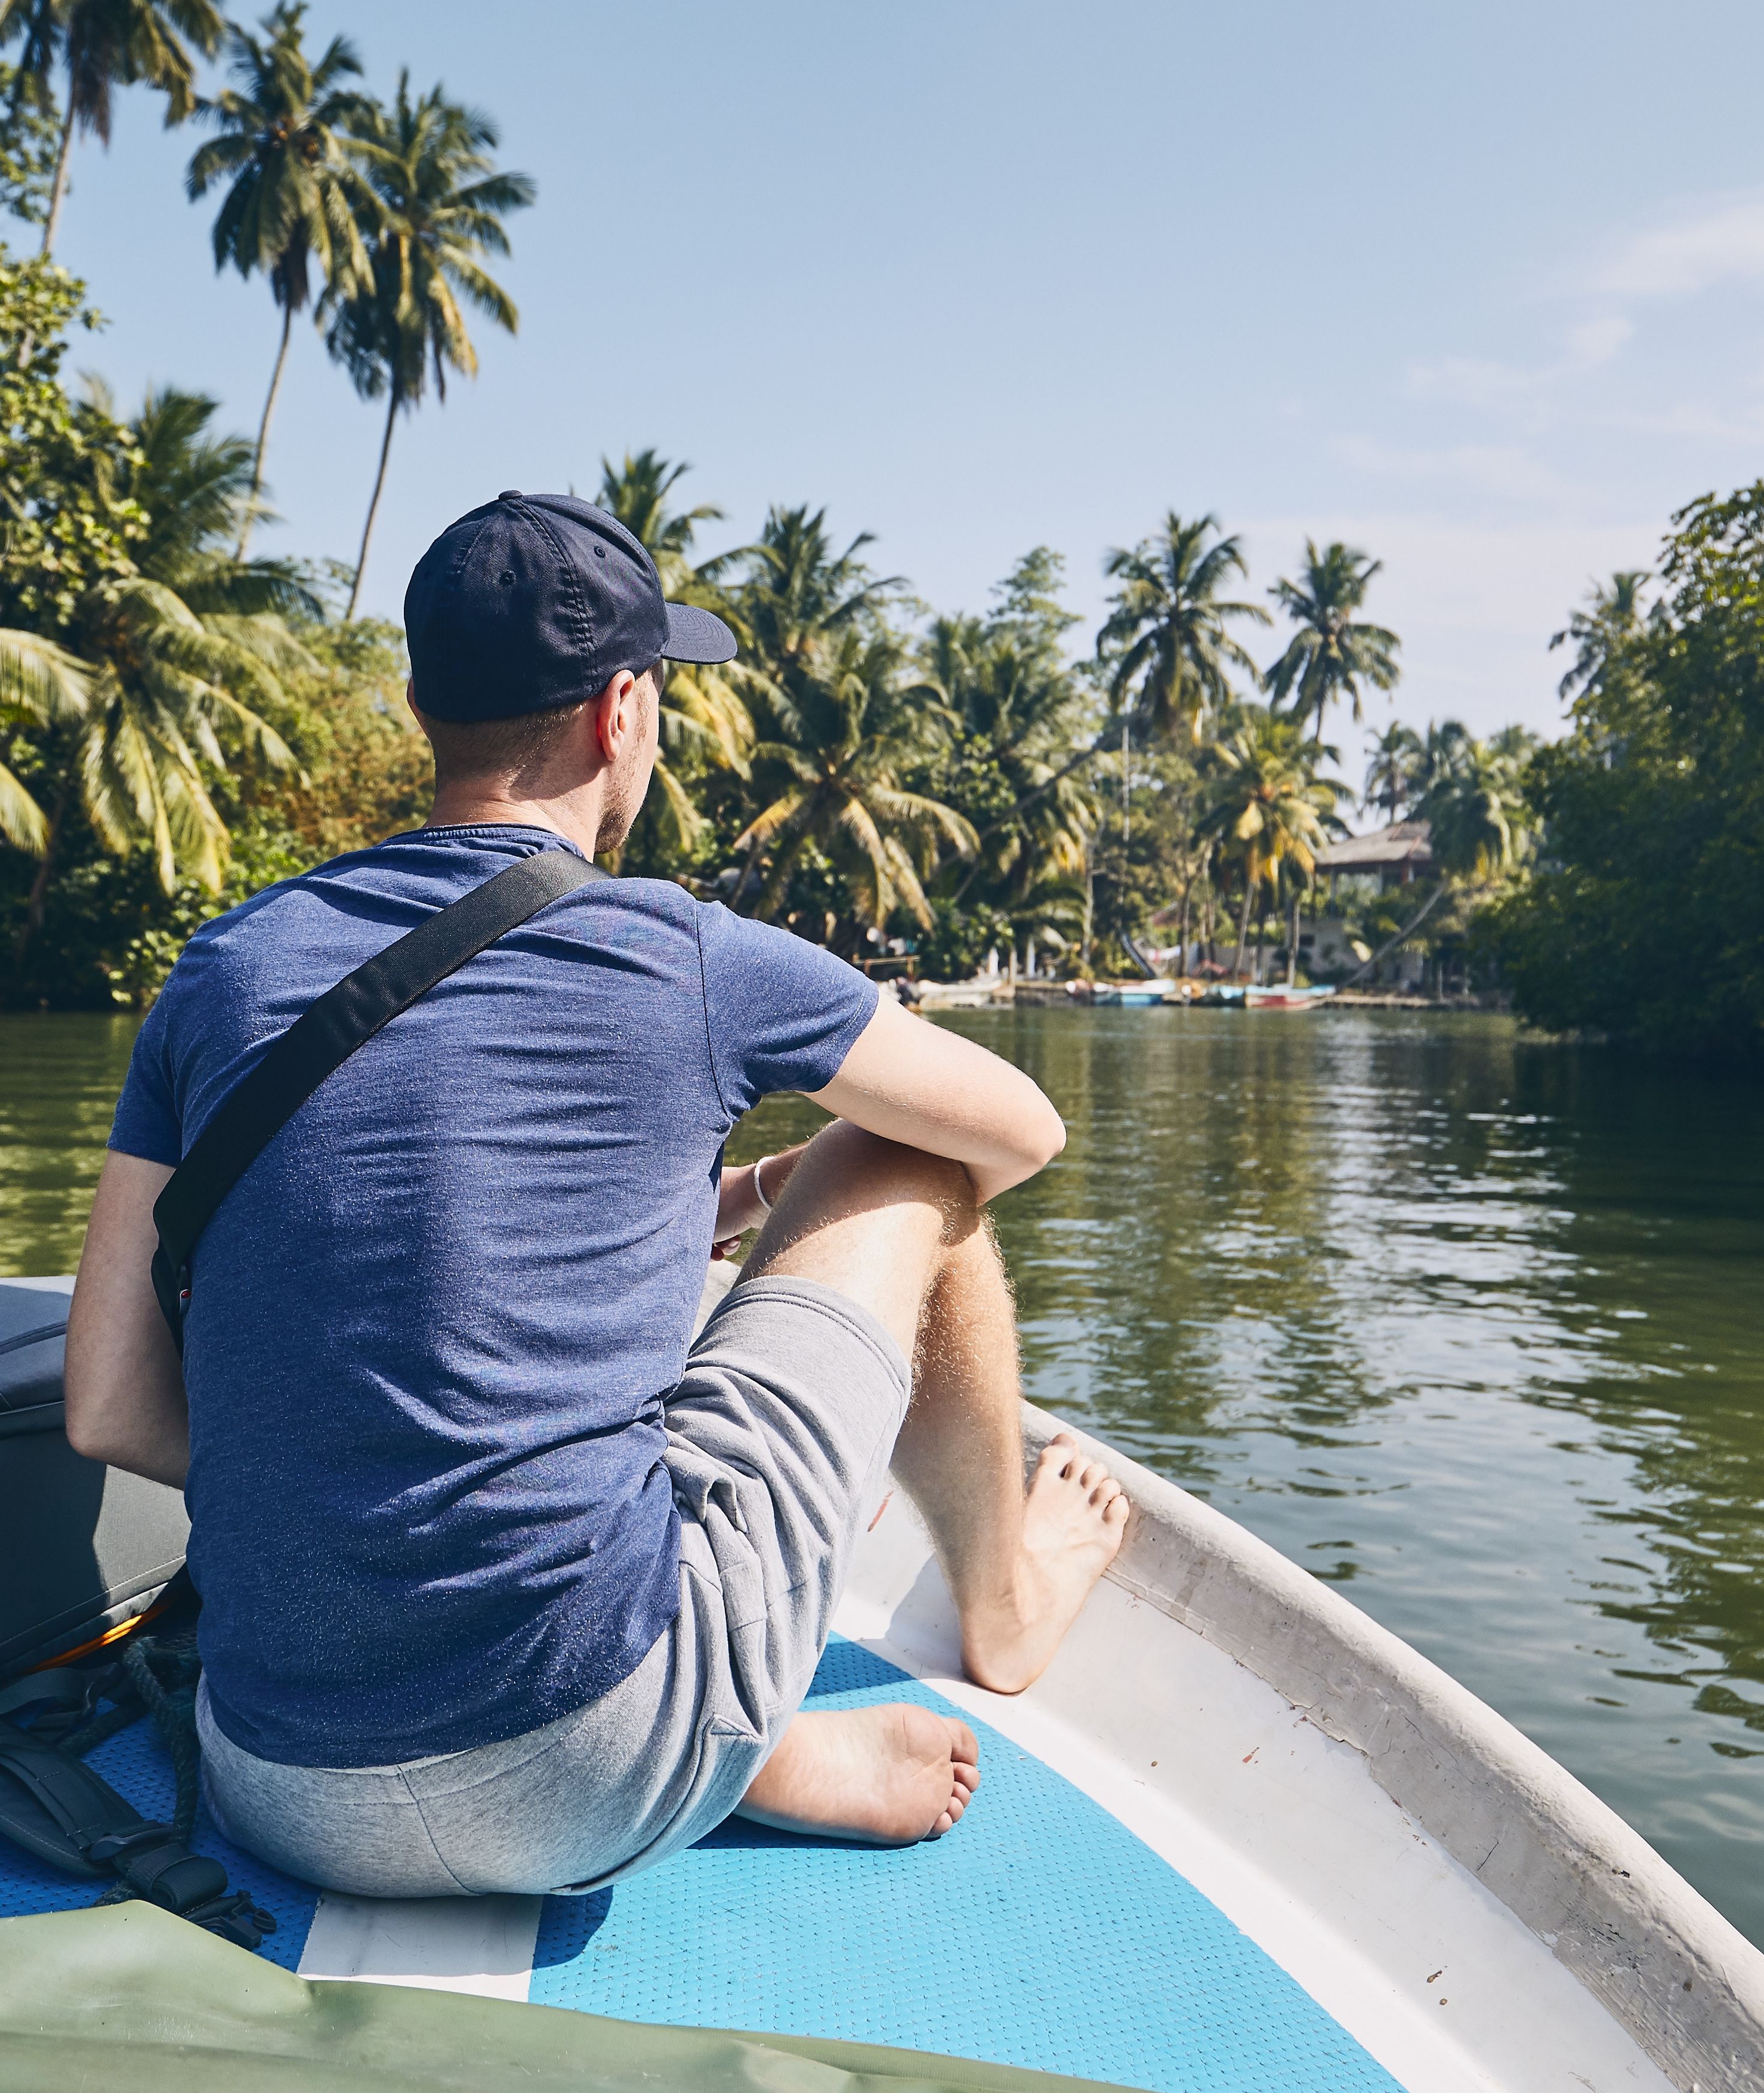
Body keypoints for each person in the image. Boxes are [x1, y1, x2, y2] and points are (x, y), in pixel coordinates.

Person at [66, 490, 1129, 1898]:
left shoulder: (223, 968)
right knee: (914, 1152)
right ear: (620, 713)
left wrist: (735, 1195)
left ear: (422, 704)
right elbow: (1021, 1132)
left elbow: (111, 1406)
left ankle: (734, 1738)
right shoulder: (687, 952)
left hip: (275, 1783)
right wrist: (814, 1231)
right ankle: (998, 1607)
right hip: (594, 1749)